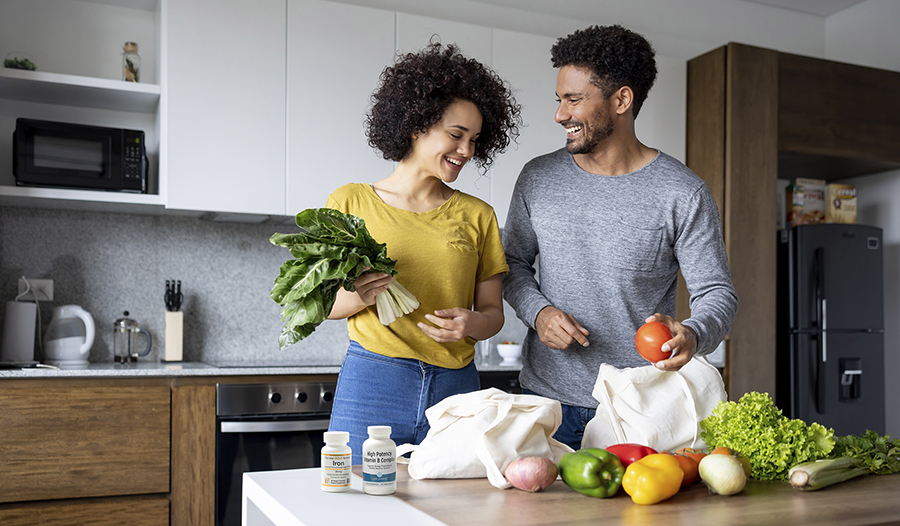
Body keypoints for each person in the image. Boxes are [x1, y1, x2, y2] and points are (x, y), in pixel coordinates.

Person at [502, 25, 738, 451]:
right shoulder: (538, 178)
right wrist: (537, 312)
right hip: (544, 404)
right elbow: (510, 263)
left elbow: (717, 292)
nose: (560, 114)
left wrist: (693, 333)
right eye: (559, 100)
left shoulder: (682, 192)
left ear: (621, 100)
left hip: (639, 407)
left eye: (573, 100)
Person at [325, 41, 521, 463]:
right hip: (373, 379)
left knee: (453, 510)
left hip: (456, 388)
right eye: (456, 135)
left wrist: (472, 322)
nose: (466, 151)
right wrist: (362, 294)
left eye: (474, 139)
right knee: (358, 506)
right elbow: (323, 304)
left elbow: (493, 313)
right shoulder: (350, 203)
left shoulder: (478, 215)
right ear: (416, 124)